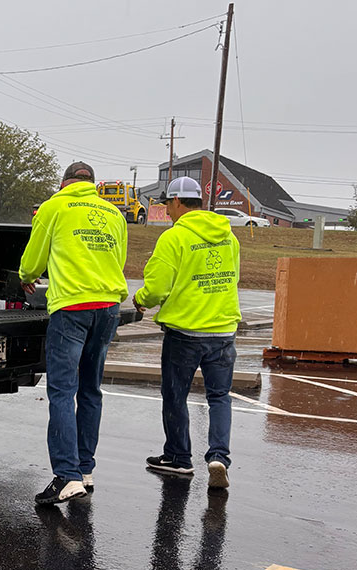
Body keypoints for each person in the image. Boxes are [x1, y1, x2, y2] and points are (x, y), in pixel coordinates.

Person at [19, 161, 128, 504]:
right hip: (108, 306)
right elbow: (118, 258)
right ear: (92, 185)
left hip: (72, 308)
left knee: (63, 392)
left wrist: (25, 275)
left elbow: (34, 259)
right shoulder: (114, 213)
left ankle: (66, 476)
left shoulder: (54, 206)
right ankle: (85, 468)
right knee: (90, 389)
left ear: (64, 183)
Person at [133, 175, 241, 489]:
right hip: (222, 330)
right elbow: (231, 278)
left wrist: (141, 300)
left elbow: (157, 287)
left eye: (168, 203)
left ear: (178, 202)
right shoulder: (228, 237)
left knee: (175, 395)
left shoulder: (174, 238)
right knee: (219, 397)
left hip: (185, 332)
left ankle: (179, 457)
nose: (167, 210)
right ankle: (219, 456)